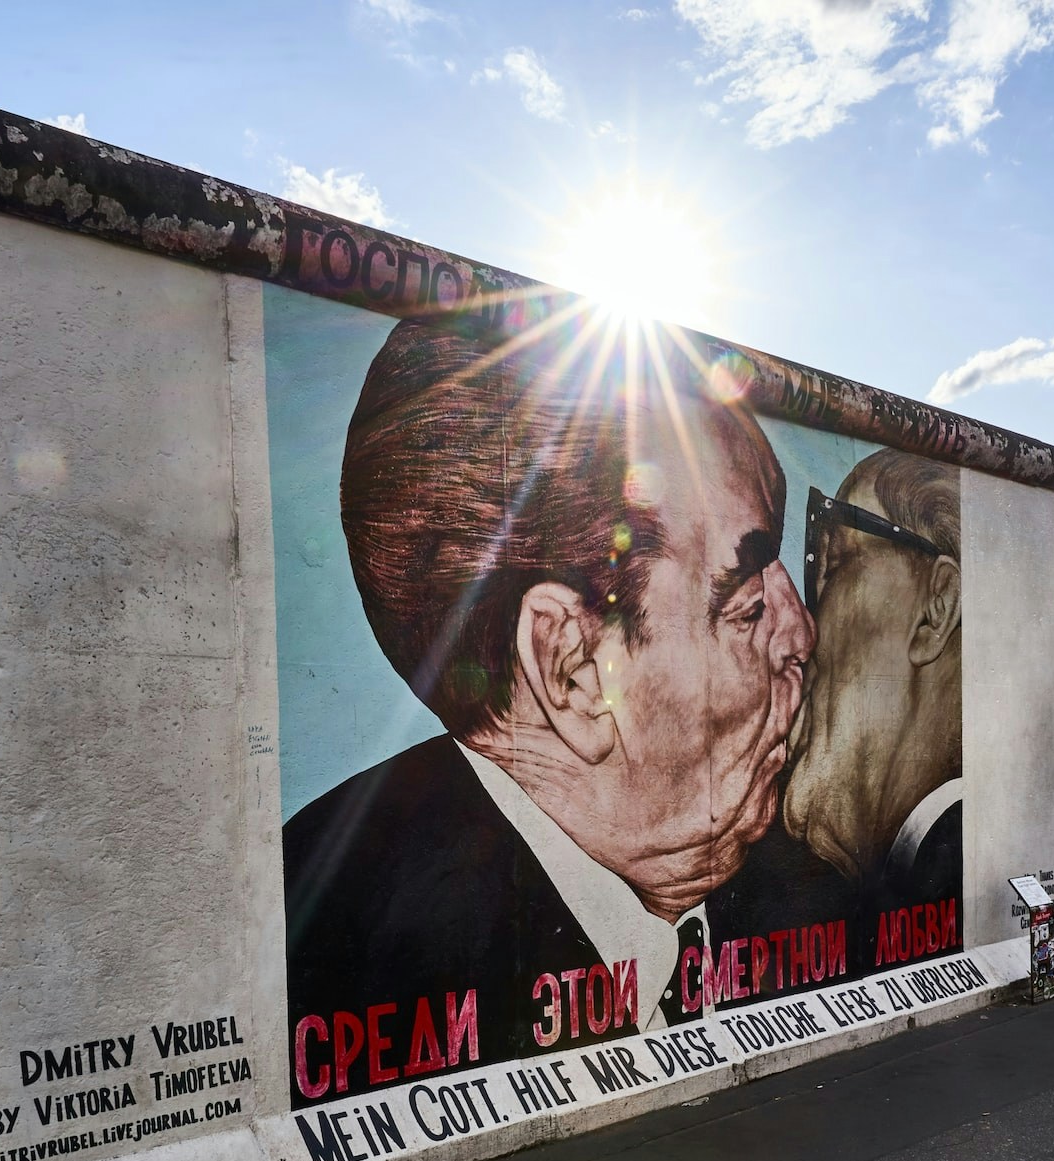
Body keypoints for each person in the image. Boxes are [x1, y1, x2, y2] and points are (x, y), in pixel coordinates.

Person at [283, 313, 814, 1105]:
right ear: (569, 668)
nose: (799, 630)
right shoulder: (334, 951)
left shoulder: (806, 894)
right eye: (745, 606)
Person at [782, 450, 963, 955]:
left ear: (936, 609)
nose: (803, 628)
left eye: (836, 563)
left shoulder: (951, 855)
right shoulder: (908, 863)